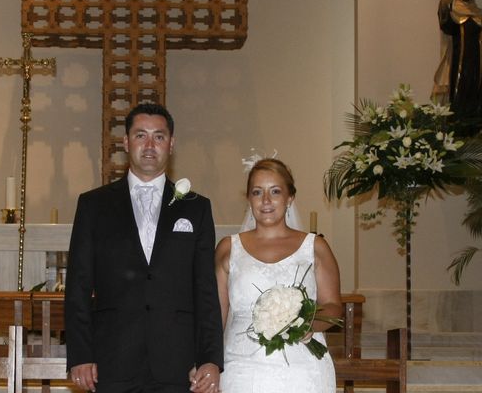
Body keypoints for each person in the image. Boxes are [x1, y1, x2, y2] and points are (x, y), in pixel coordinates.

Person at [65, 103, 223, 393]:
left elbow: (206, 291)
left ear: (171, 144)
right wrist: (80, 354)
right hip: (112, 359)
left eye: (159, 136)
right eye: (141, 135)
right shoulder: (93, 205)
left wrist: (210, 359)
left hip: (178, 362)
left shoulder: (197, 208)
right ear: (126, 142)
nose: (150, 145)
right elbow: (78, 286)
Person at [215, 158, 341, 392]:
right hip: (242, 368)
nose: (265, 201)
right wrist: (207, 363)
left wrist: (302, 322)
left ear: (290, 197)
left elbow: (333, 306)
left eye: (275, 191)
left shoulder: (315, 247)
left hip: (302, 367)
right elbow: (215, 317)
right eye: (257, 192)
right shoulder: (227, 248)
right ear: (248, 199)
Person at [433, 0, 482, 117]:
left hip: (476, 58)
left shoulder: (478, 13)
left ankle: (474, 117)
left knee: (475, 84)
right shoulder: (454, 11)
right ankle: (459, 118)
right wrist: (443, 6)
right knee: (459, 85)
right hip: (459, 56)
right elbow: (446, 27)